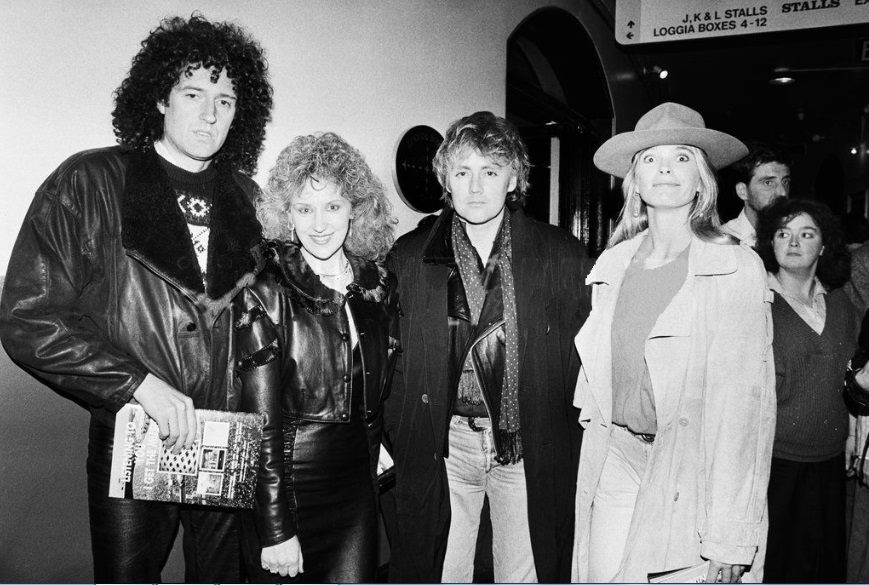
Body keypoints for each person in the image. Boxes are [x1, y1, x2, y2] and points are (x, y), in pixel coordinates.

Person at [0, 15, 272, 582]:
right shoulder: (90, 180)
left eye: (225, 100)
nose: (210, 114)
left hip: (230, 437)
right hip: (136, 432)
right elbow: (29, 316)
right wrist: (136, 385)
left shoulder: (251, 198)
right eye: (193, 93)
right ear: (159, 99)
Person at [383, 111, 591, 583]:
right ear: (446, 181)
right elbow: (393, 366)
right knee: (443, 571)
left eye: (490, 172)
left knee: (524, 573)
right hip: (446, 444)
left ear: (512, 177)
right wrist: (410, 432)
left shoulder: (561, 256)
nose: (475, 187)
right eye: (463, 172)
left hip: (526, 442)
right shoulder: (410, 257)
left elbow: (582, 365)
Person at [572, 102, 776, 583]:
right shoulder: (613, 264)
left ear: (702, 180)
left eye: (682, 157)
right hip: (618, 456)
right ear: (635, 181)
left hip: (692, 470)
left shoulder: (735, 267)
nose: (665, 167)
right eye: (650, 158)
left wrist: (730, 534)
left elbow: (746, 412)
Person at [234, 132, 400, 583]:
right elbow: (260, 424)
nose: (319, 223)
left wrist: (376, 441)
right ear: (286, 215)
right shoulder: (266, 293)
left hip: (358, 491)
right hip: (291, 488)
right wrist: (274, 530)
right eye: (304, 208)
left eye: (333, 206)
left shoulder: (378, 285)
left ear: (355, 210)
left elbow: (373, 387)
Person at [755, 198, 856, 583]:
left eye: (806, 233)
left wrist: (853, 424)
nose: (793, 242)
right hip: (774, 463)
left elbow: (848, 375)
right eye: (783, 233)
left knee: (824, 569)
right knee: (777, 569)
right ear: (770, 242)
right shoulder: (757, 302)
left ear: (824, 245)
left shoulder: (841, 304)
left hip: (830, 463)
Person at [721, 143, 792, 246]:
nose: (783, 193)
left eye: (785, 182)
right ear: (743, 191)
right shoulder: (722, 242)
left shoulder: (796, 235)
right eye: (768, 183)